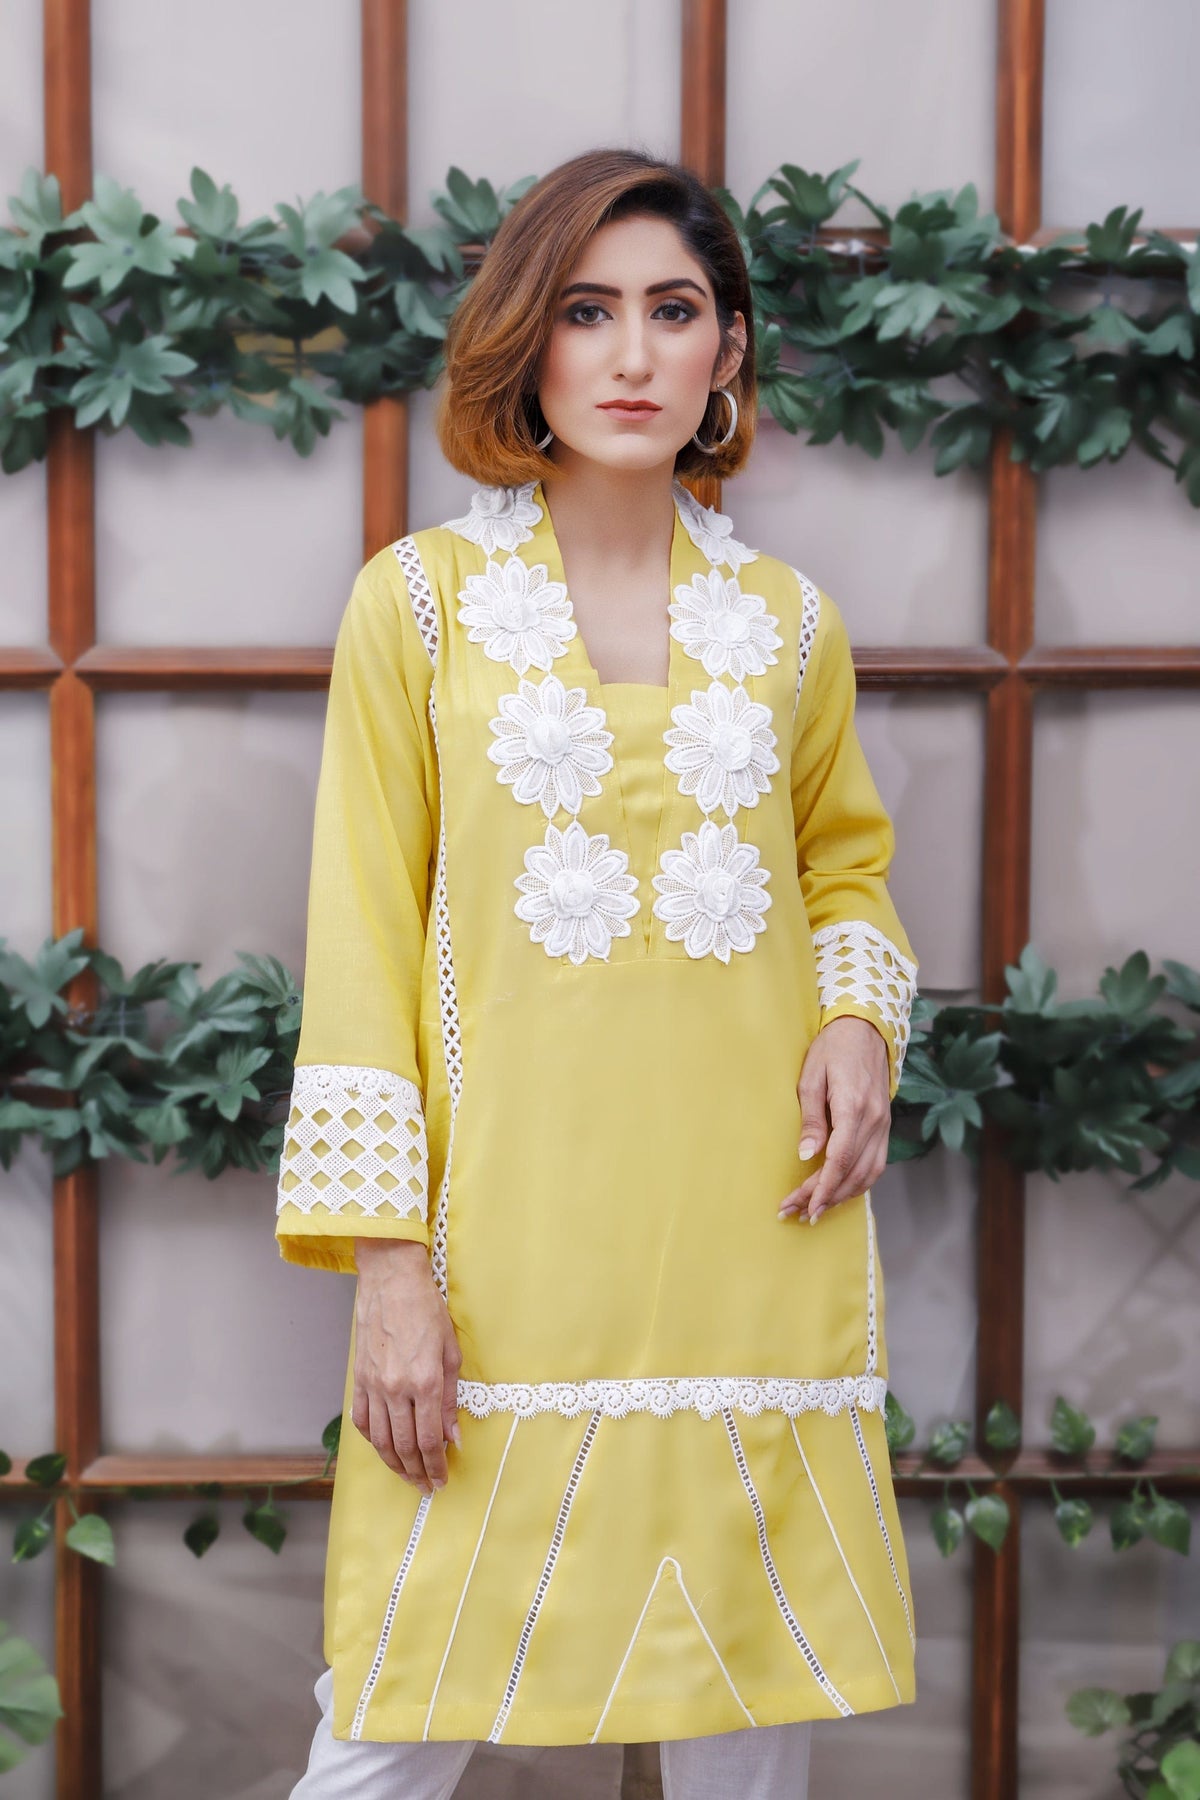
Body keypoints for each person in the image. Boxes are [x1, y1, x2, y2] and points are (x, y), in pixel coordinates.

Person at [276, 146, 920, 1798]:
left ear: (729, 351)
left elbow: (845, 866)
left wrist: (858, 1015)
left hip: (750, 1234)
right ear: (528, 340)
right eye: (587, 311)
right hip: (503, 1265)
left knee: (740, 1720)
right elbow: (360, 935)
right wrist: (391, 1275)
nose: (633, 355)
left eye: (674, 311)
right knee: (395, 1714)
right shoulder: (419, 609)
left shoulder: (787, 625)